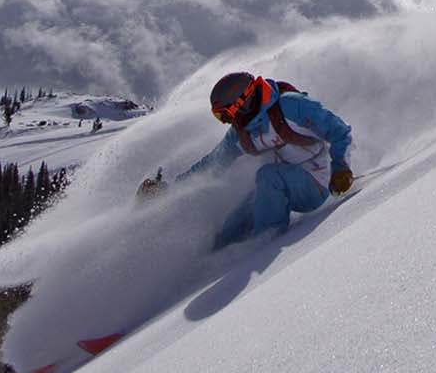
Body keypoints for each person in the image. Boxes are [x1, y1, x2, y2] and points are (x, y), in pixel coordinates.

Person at [139, 72, 354, 249]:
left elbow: (340, 132)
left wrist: (341, 169)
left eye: (225, 115)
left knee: (268, 175)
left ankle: (265, 245)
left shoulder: (292, 106)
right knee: (232, 227)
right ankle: (216, 257)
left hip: (320, 182)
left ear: (242, 102)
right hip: (282, 186)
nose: (226, 122)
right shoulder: (242, 133)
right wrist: (169, 190)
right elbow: (213, 163)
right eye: (220, 117)